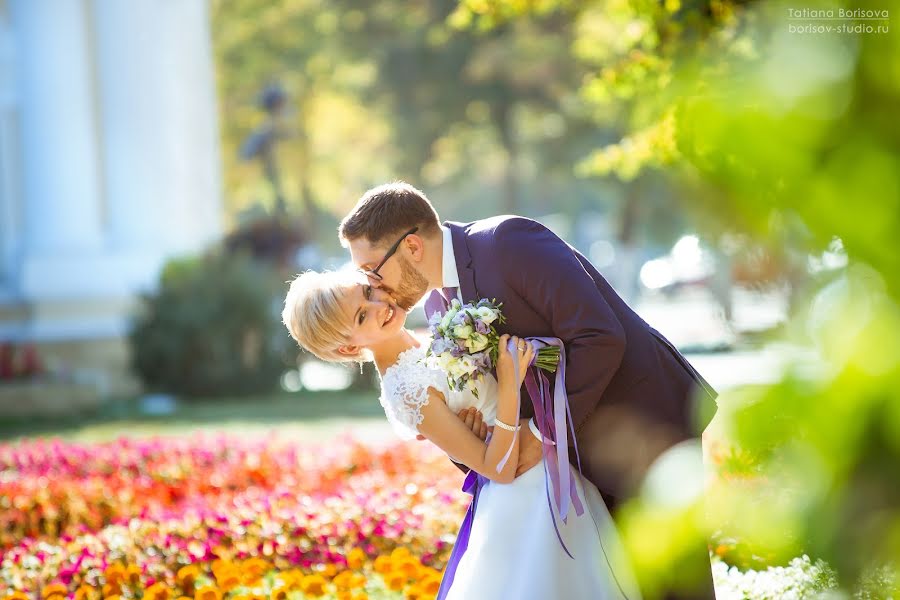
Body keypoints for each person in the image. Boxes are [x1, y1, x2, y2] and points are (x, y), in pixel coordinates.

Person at [337, 181, 719, 599]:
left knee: (675, 587)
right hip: (574, 461)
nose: (376, 285)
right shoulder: (436, 307)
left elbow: (599, 335)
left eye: (373, 269)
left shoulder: (507, 242)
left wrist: (539, 433)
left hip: (643, 421)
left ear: (411, 246)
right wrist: (479, 430)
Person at [282, 270, 641, 599]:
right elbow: (496, 468)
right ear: (348, 347)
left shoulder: (433, 338)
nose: (379, 305)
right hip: (525, 497)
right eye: (362, 315)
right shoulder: (406, 389)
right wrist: (510, 383)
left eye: (366, 291)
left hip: (550, 471)